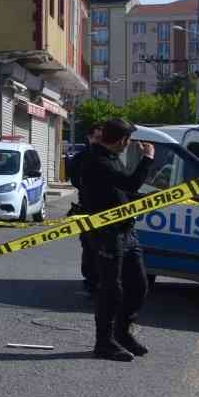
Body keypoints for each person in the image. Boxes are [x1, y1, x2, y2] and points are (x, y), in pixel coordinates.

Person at [77, 118, 155, 362]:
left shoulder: (111, 158)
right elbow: (129, 181)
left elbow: (123, 190)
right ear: (122, 140)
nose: (129, 144)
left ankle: (123, 333)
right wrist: (148, 158)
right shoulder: (96, 160)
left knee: (139, 285)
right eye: (128, 140)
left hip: (126, 231)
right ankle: (104, 342)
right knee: (111, 290)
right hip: (106, 234)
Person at [69, 125, 103, 295]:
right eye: (96, 137)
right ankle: (90, 281)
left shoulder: (109, 156)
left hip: (108, 210)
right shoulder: (81, 158)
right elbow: (76, 181)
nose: (99, 141)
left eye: (101, 138)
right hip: (87, 208)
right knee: (89, 247)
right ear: (89, 138)